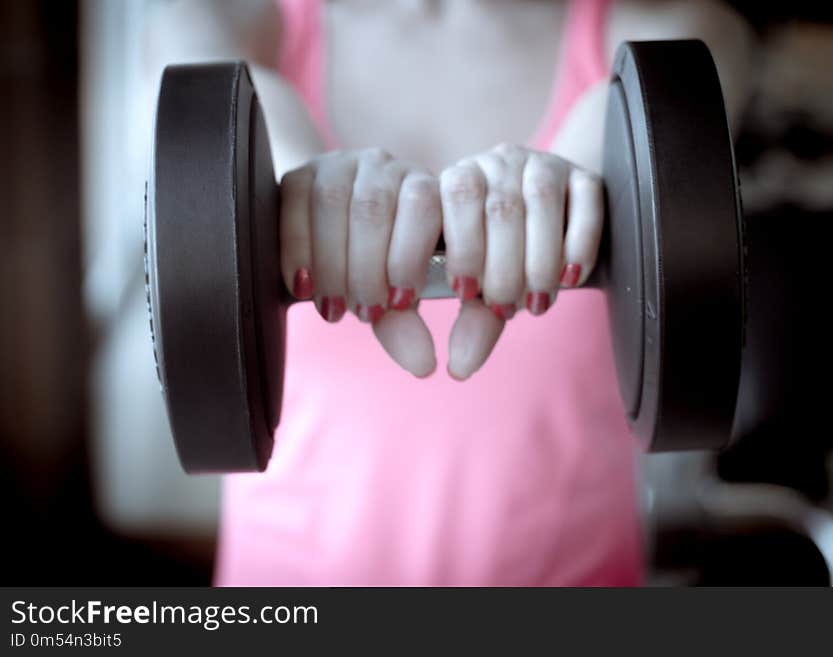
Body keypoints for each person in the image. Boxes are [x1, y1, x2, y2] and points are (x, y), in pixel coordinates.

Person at [144, 0, 753, 585]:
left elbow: (680, 81)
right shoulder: (244, 27)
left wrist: (567, 188)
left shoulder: (670, 30)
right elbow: (197, 56)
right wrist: (304, 188)